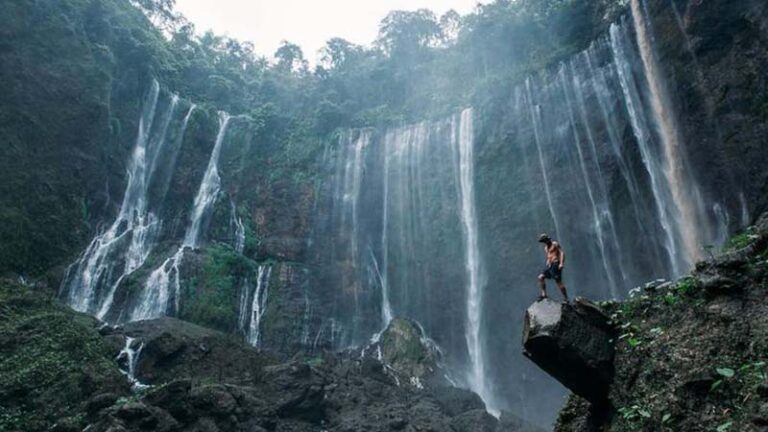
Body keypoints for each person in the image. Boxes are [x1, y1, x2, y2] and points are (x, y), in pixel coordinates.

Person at [537, 233, 569, 302]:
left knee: (558, 281)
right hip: (550, 265)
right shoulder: (545, 248)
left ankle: (566, 298)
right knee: (540, 277)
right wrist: (548, 261)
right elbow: (549, 256)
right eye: (543, 241)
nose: (544, 242)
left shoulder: (554, 244)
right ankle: (544, 294)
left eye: (545, 240)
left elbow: (561, 253)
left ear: (547, 239)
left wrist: (561, 263)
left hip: (556, 264)